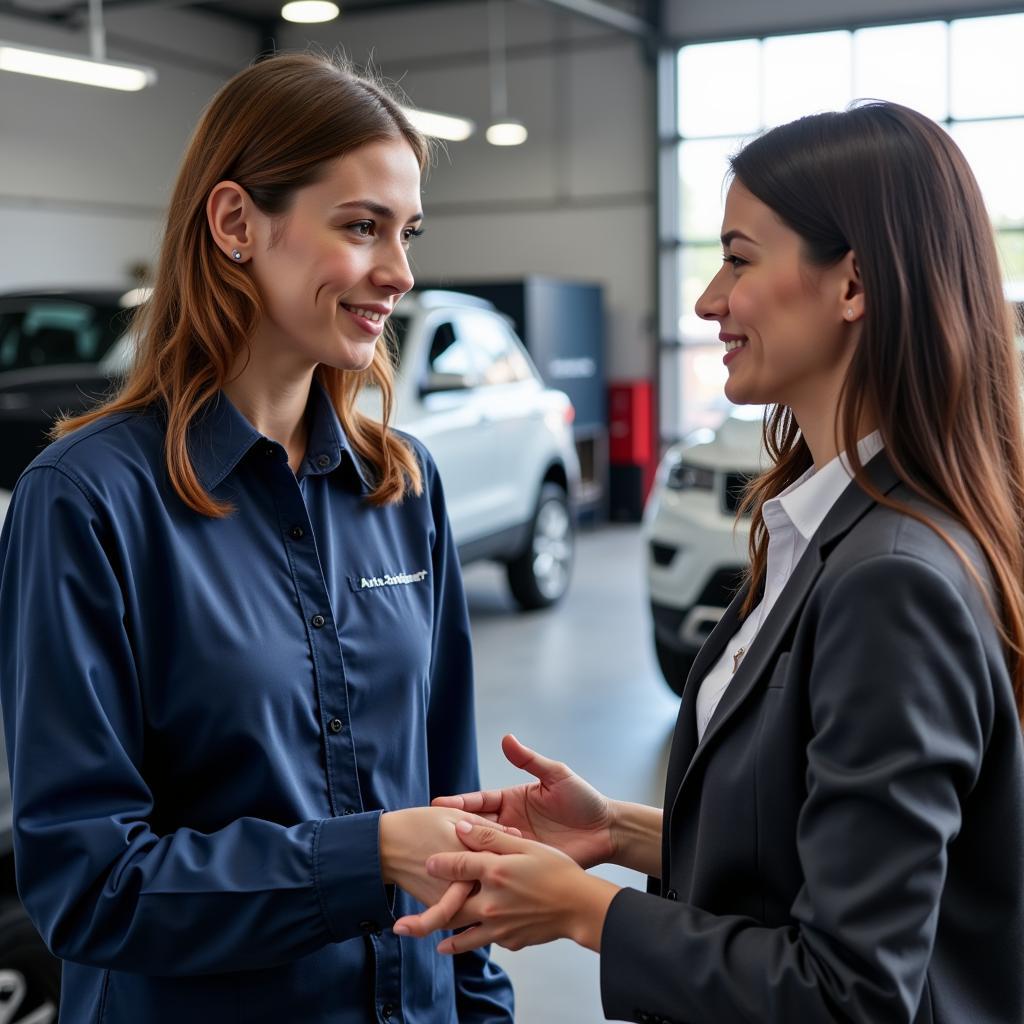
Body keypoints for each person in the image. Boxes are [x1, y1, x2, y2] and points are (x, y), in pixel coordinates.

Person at [393, 101, 1024, 1024]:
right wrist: (618, 832)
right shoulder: (828, 524)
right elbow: (811, 848)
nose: (706, 299)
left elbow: (848, 995)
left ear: (853, 282)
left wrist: (586, 912)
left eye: (739, 257)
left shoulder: (894, 580)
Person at [0, 53, 515, 1023]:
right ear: (236, 223)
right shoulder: (87, 501)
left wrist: (480, 1007)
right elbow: (89, 882)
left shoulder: (402, 487)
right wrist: (368, 857)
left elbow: (454, 815)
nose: (399, 273)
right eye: (361, 228)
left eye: (406, 234)